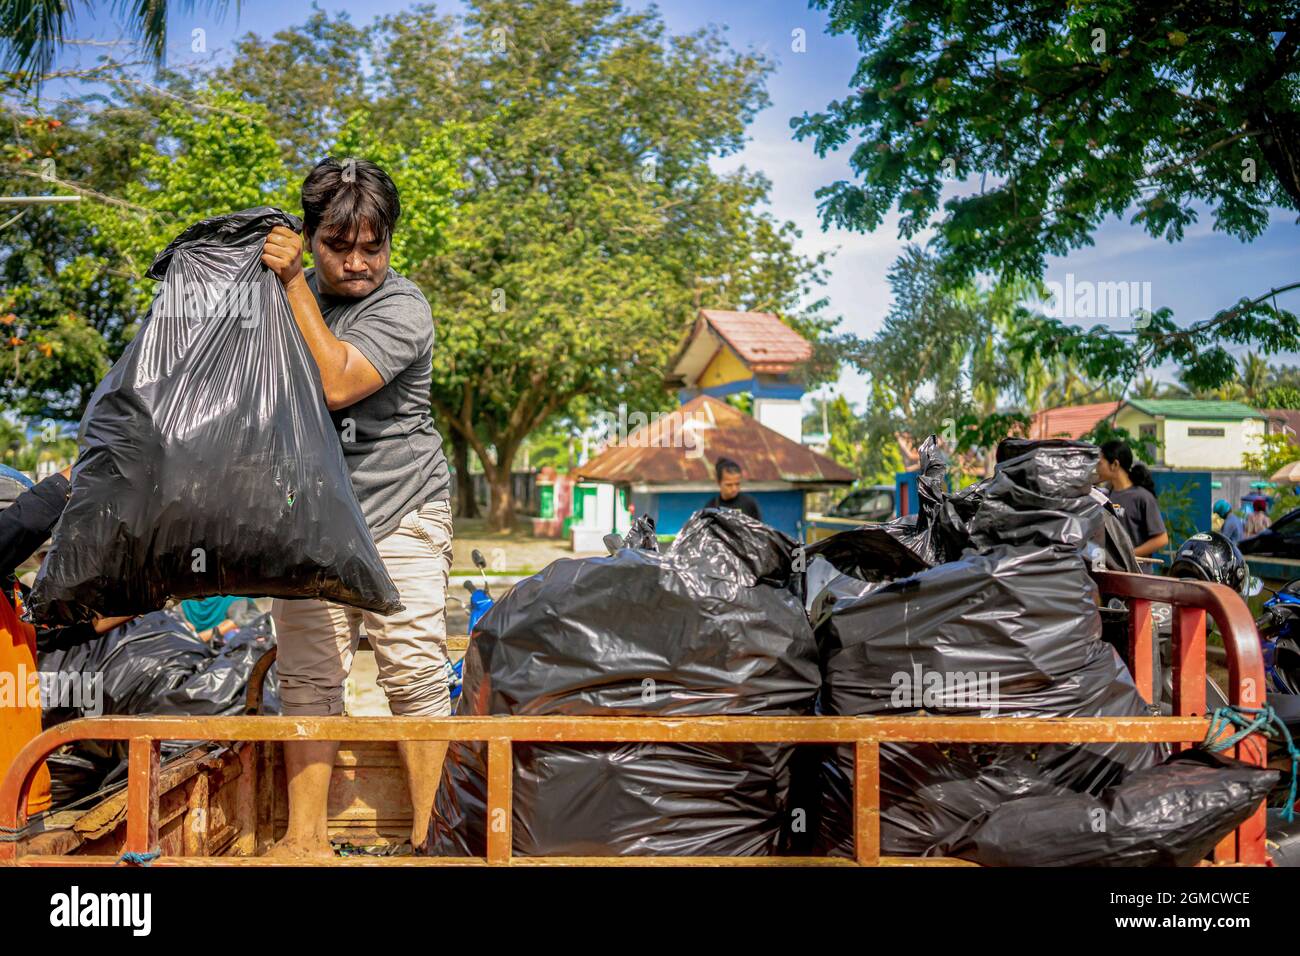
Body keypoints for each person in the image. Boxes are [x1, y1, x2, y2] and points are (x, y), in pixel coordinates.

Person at [260, 157, 454, 857]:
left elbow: (337, 381)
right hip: (309, 521)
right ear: (309, 237)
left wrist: (288, 283)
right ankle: (305, 839)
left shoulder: (403, 308)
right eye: (338, 246)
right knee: (308, 678)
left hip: (399, 509)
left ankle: (432, 841)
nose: (357, 263)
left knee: (414, 672)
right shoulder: (277, 296)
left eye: (373, 246)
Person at [1097, 440, 1168, 558]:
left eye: (1100, 463)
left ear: (1114, 464)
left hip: (1137, 574)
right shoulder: (1105, 496)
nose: (1096, 467)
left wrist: (1128, 556)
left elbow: (1161, 539)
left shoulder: (1142, 497)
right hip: (1115, 573)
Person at [702, 457, 762, 522]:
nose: (734, 489)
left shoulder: (749, 504)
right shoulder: (711, 507)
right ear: (718, 482)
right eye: (729, 485)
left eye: (737, 484)